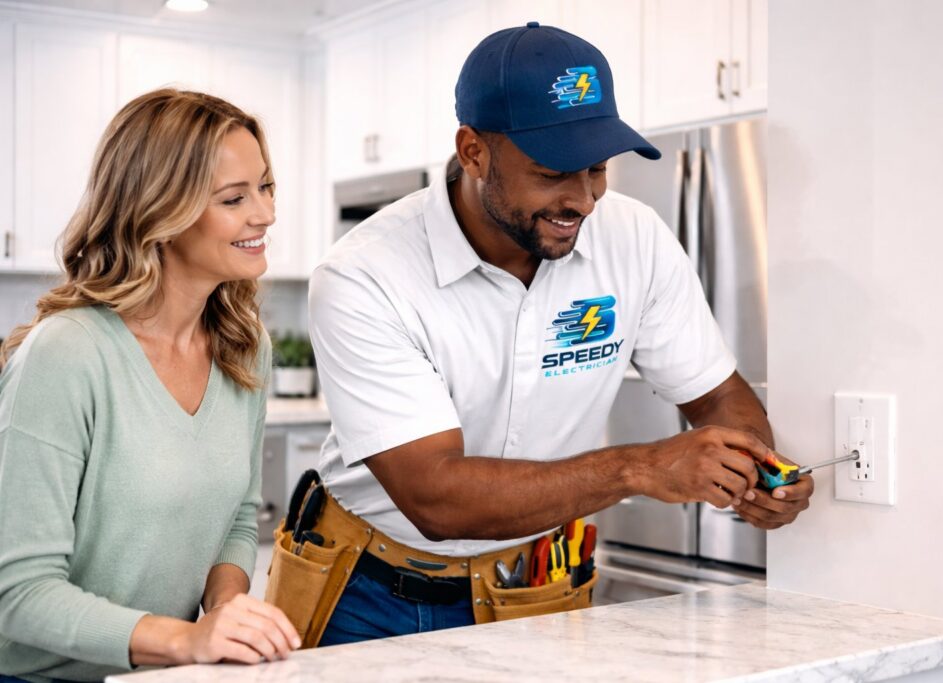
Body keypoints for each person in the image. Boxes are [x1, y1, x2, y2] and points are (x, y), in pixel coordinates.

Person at [306, 23, 814, 645]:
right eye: (552, 173)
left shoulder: (636, 239)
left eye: (598, 168)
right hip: (370, 588)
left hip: (539, 579)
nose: (585, 199)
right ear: (473, 152)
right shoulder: (364, 275)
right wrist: (640, 467)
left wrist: (758, 470)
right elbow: (435, 499)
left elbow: (715, 396)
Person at [0, 89, 300, 683]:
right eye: (234, 198)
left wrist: (225, 614)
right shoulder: (67, 354)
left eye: (265, 188)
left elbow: (239, 519)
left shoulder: (245, 349)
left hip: (163, 673)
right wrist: (185, 639)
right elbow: (19, 593)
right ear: (160, 212)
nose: (264, 213)